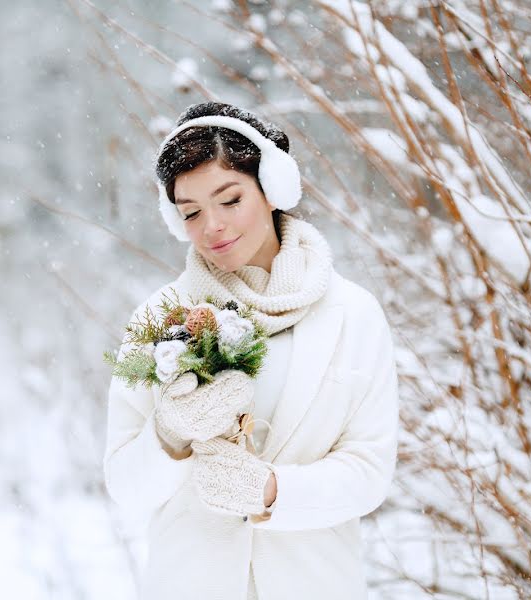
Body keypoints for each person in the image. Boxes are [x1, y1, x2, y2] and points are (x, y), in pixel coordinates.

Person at [102, 102, 400, 600]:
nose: (212, 226)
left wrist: (272, 492)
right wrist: (170, 434)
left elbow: (369, 473)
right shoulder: (162, 317)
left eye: (230, 199)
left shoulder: (354, 315)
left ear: (273, 188)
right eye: (191, 212)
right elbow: (126, 487)